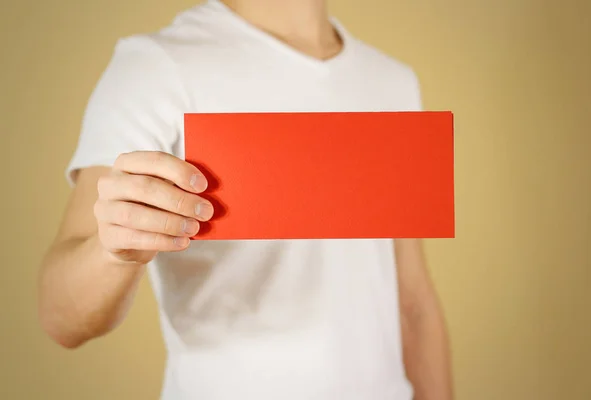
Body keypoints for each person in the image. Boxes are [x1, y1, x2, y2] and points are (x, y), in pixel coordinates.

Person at [37, 0, 453, 399]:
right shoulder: (154, 65)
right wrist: (113, 254)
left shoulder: (393, 81)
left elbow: (412, 300)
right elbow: (60, 316)